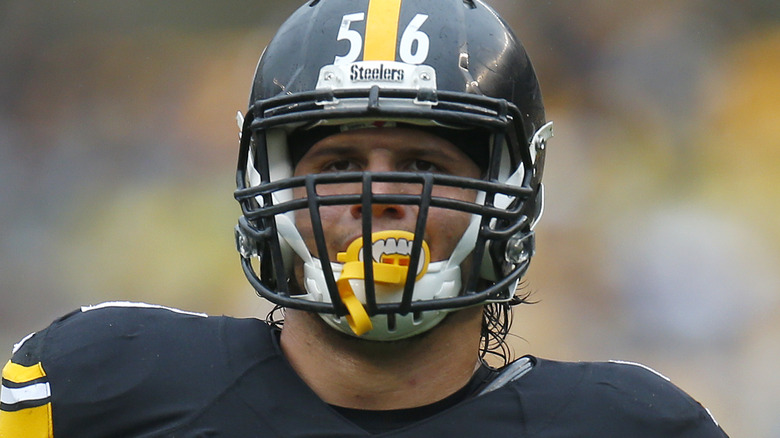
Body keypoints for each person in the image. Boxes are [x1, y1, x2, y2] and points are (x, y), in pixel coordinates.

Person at [1, 0, 728, 436]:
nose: (378, 196)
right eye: (339, 165)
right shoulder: (102, 389)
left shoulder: (631, 426)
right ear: (271, 188)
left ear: (508, 191)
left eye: (423, 166)